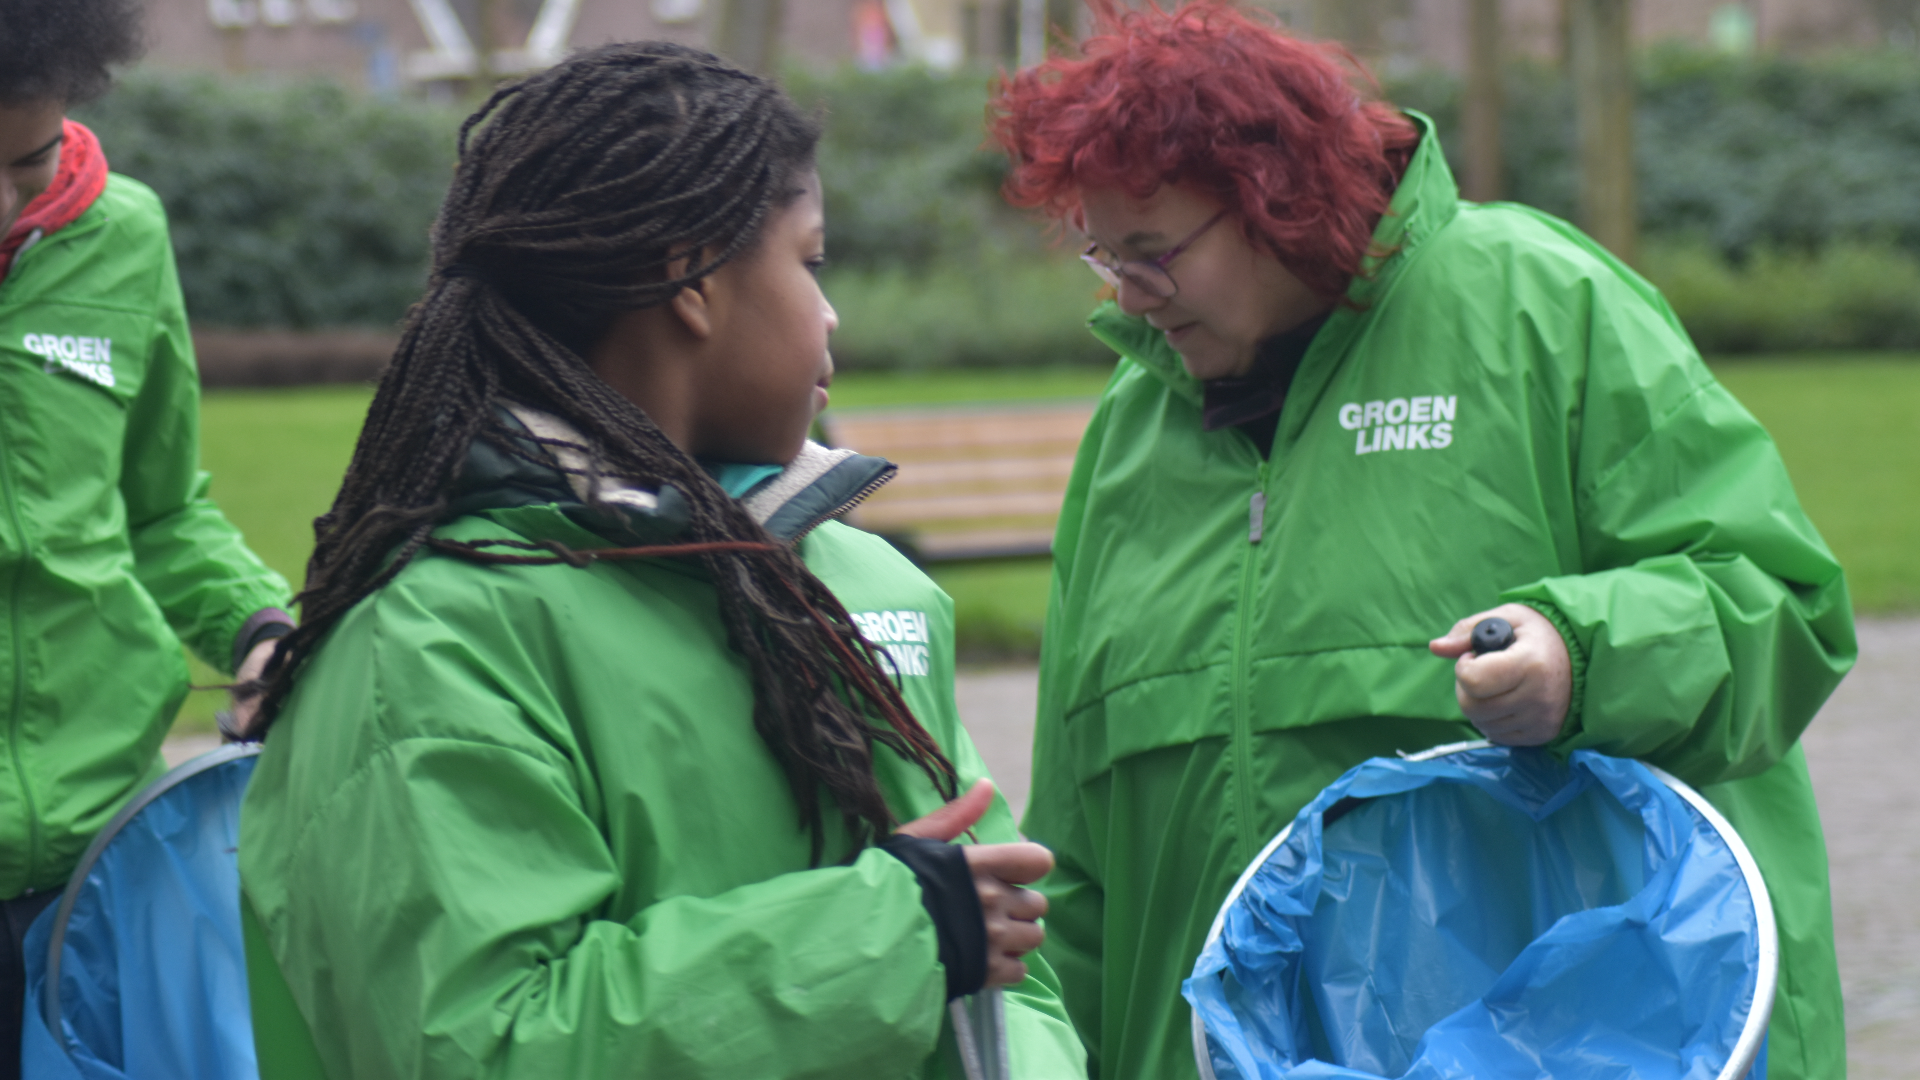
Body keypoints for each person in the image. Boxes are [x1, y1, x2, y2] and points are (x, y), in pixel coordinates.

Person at [987, 3, 1855, 1077]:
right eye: (1103, 256)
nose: (1128, 294)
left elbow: (1781, 607)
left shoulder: (1539, 304)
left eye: (1155, 252)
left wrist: (1579, 657)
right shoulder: (1128, 435)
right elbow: (1080, 866)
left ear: (1280, 198)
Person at [238, 43, 1085, 1079]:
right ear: (691, 277)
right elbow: (481, 1043)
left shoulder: (867, 589)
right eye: (809, 260)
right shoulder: (424, 651)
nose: (831, 315)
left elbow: (1007, 963)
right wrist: (893, 936)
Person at [0, 0, 293, 1070]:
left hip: (97, 862)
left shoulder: (124, 235)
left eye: (27, 162)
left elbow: (162, 510)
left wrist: (260, 625)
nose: (1, 203)